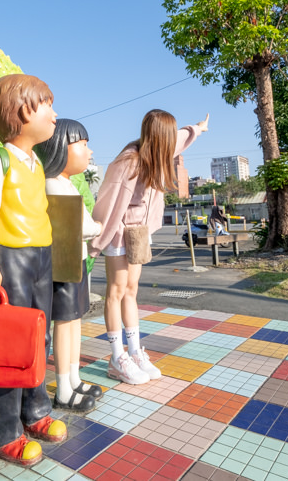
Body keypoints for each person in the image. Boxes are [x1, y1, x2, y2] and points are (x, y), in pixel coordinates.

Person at [0, 74, 66, 466]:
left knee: (38, 337)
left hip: (41, 256)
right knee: (7, 346)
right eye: (47, 106)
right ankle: (5, 430)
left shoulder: (35, 162)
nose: (54, 114)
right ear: (22, 112)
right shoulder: (0, 160)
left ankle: (36, 410)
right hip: (9, 259)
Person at [89, 110, 209, 384]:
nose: (172, 145)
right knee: (116, 290)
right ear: (159, 137)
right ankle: (116, 357)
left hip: (140, 231)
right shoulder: (127, 162)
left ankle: (134, 351)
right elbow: (108, 202)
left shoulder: (159, 152)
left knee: (131, 290)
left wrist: (199, 128)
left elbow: (181, 138)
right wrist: (97, 240)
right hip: (119, 232)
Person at [34, 119, 104, 412]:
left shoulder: (63, 183)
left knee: (74, 322)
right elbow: (84, 226)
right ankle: (64, 388)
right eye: (83, 145)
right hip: (62, 267)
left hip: (73, 263)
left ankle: (73, 379)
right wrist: (99, 226)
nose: (88, 152)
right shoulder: (55, 185)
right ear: (61, 148)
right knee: (65, 323)